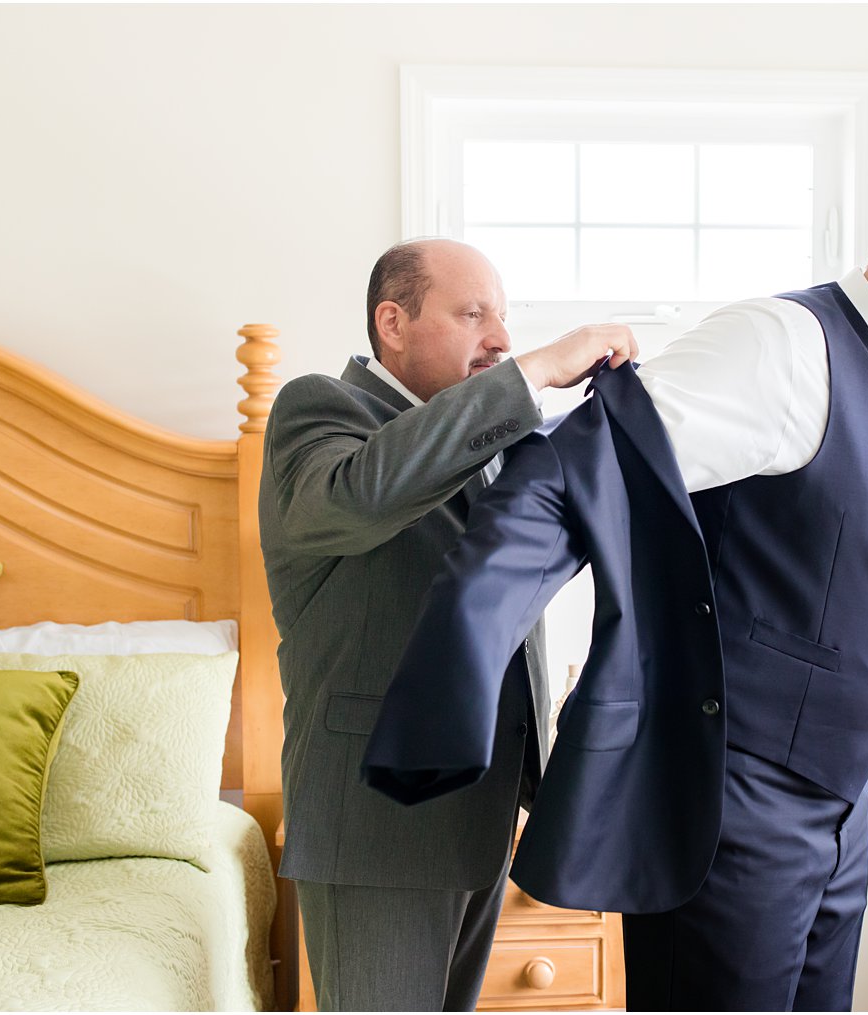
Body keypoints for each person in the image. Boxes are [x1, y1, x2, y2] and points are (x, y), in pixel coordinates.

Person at [363, 157, 868, 1010]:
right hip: (734, 812)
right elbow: (574, 473)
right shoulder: (783, 349)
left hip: (842, 811)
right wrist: (457, 670)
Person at [259, 237, 636, 1012]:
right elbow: (364, 493)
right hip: (376, 831)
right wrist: (533, 371)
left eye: (503, 317)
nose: (499, 337)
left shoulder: (490, 444)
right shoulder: (317, 412)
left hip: (482, 816)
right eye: (473, 314)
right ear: (391, 322)